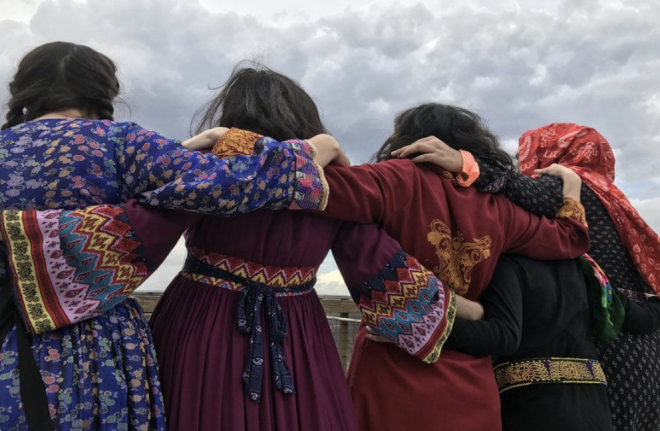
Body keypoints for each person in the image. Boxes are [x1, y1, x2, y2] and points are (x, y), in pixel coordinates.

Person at [2, 66, 467, 431]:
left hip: (203, 322)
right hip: (300, 332)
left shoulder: (208, 170)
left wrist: (52, 249)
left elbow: (145, 223)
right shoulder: (332, 185)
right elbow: (378, 266)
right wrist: (471, 310)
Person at [0, 42, 337, 431]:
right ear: (104, 92)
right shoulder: (121, 144)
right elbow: (231, 183)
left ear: (24, 89)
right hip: (95, 340)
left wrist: (185, 147)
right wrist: (308, 150)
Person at [205, 103, 593, 431]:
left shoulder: (393, 181)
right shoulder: (503, 210)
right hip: (473, 385)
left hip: (393, 373)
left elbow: (290, 181)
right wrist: (571, 187)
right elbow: (570, 238)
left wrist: (238, 141)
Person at [402, 122, 660, 430]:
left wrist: (465, 163)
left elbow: (525, 193)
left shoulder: (574, 185)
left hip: (608, 349)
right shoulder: (614, 199)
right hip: (644, 349)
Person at [440, 253, 660, 431]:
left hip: (534, 408)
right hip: (595, 410)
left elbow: (502, 335)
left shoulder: (506, 264)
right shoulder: (587, 270)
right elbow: (637, 318)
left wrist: (429, 328)